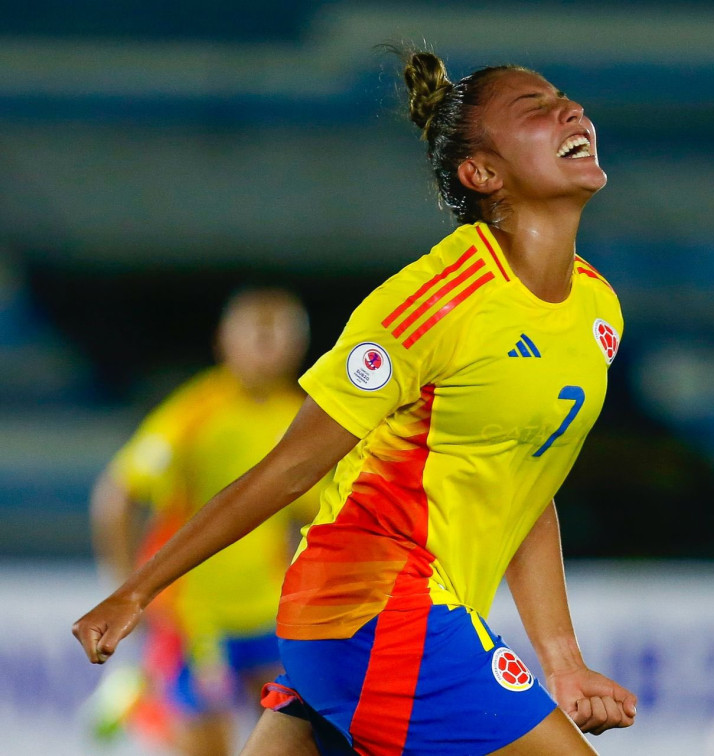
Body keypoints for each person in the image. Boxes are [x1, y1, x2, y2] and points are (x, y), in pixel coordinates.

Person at [74, 48, 638, 755]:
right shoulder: (432, 304)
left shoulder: (597, 311)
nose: (570, 110)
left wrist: (561, 660)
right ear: (483, 173)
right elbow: (289, 468)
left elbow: (523, 481)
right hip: (378, 610)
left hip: (385, 621)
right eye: (536, 109)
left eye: (563, 97)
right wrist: (139, 589)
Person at [88, 286, 318, 755]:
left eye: (279, 336)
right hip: (196, 618)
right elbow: (116, 497)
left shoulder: (299, 417)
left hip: (267, 613)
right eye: (257, 334)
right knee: (208, 746)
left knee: (291, 741)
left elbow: (313, 517)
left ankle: (143, 696)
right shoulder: (194, 414)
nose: (268, 346)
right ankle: (147, 701)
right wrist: (127, 592)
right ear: (224, 341)